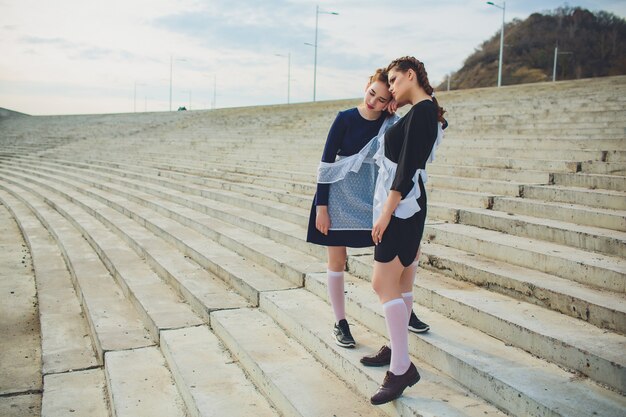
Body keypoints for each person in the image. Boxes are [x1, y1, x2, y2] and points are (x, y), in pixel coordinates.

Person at [364, 56, 446, 405]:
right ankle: (398, 348)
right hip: (410, 205)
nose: (391, 87)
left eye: (395, 80)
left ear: (411, 75)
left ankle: (402, 368)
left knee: (382, 283)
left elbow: (409, 165)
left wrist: (386, 212)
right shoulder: (423, 111)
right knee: (399, 283)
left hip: (403, 207)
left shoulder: (424, 111)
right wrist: (396, 110)